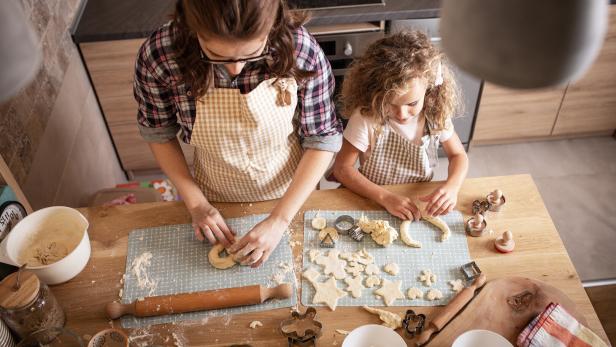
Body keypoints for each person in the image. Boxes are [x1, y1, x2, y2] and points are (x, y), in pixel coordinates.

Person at [134, 0, 342, 267]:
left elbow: (322, 139)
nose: (236, 69)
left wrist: (280, 219)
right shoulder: (161, 54)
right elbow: (158, 132)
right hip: (214, 192)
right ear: (191, 26)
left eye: (252, 53)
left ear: (273, 24)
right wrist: (197, 205)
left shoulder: (300, 49)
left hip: (291, 191)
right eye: (215, 54)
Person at [333, 31, 468, 221]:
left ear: (429, 89)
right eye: (390, 104)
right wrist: (385, 197)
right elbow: (341, 169)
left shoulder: (434, 115)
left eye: (412, 104)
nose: (401, 114)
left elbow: (458, 155)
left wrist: (452, 186)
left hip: (417, 201)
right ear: (376, 93)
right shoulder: (366, 118)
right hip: (374, 199)